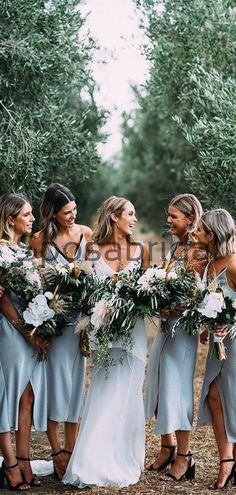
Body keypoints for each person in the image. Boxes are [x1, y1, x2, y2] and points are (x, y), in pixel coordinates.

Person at [63, 195, 150, 488]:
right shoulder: (92, 251)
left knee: (129, 392)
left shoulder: (143, 250)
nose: (134, 219)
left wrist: (134, 304)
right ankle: (92, 459)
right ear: (114, 216)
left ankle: (124, 454)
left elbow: (148, 296)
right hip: (103, 332)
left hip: (132, 333)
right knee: (104, 390)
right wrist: (88, 327)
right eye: (130, 213)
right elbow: (84, 297)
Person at [31, 183, 92, 480]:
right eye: (67, 212)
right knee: (57, 388)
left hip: (79, 323)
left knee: (75, 389)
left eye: (75, 210)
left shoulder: (86, 234)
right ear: (52, 213)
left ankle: (73, 450)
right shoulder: (40, 239)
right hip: (55, 325)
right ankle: (56, 454)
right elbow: (37, 285)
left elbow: (93, 274)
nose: (73, 215)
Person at [145, 193, 206, 482]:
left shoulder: (198, 250)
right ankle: (166, 446)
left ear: (190, 219)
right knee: (158, 385)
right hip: (166, 328)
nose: (168, 220)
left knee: (178, 390)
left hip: (183, 332)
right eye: (168, 215)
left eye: (174, 216)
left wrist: (174, 305)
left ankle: (185, 456)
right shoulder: (177, 246)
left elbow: (198, 297)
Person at [0, 193, 48, 489]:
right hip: (9, 330)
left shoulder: (26, 252)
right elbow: (2, 299)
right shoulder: (0, 251)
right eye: (27, 215)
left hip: (29, 330)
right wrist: (25, 331)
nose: (32, 219)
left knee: (27, 395)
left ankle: (25, 457)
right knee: (7, 396)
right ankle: (10, 464)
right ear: (10, 220)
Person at [196, 209, 236, 489]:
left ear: (211, 235)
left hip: (234, 340)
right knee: (213, 395)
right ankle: (226, 459)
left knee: (234, 397)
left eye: (198, 230)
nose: (194, 234)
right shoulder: (208, 264)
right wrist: (207, 326)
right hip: (217, 343)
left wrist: (231, 324)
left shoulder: (234, 265)